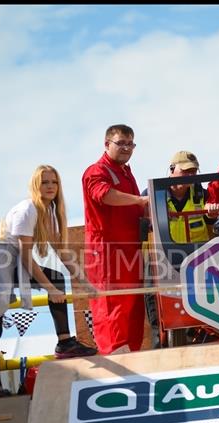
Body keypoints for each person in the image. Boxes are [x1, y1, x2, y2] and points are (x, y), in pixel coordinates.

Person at [0, 165, 99, 398]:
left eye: (54, 182)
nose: (50, 187)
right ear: (35, 186)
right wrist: (49, 290)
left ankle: (65, 342)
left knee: (57, 278)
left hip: (9, 257)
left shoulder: (49, 213)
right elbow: (27, 257)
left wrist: (84, 282)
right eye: (44, 182)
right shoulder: (27, 210)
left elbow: (62, 252)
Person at [82, 124, 149, 355]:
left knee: (132, 305)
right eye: (121, 143)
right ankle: (114, 355)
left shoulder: (126, 172)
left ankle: (132, 353)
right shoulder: (96, 171)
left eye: (130, 144)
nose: (126, 148)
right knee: (111, 305)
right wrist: (141, 201)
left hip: (130, 250)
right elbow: (105, 196)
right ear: (106, 144)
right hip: (107, 252)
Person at [144, 150, 209, 348]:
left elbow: (216, 223)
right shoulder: (152, 195)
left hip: (196, 259)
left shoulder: (203, 194)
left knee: (194, 306)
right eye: (186, 171)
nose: (191, 177)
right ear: (172, 170)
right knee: (154, 297)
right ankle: (160, 346)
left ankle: (192, 344)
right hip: (161, 259)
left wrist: (213, 213)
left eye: (194, 172)